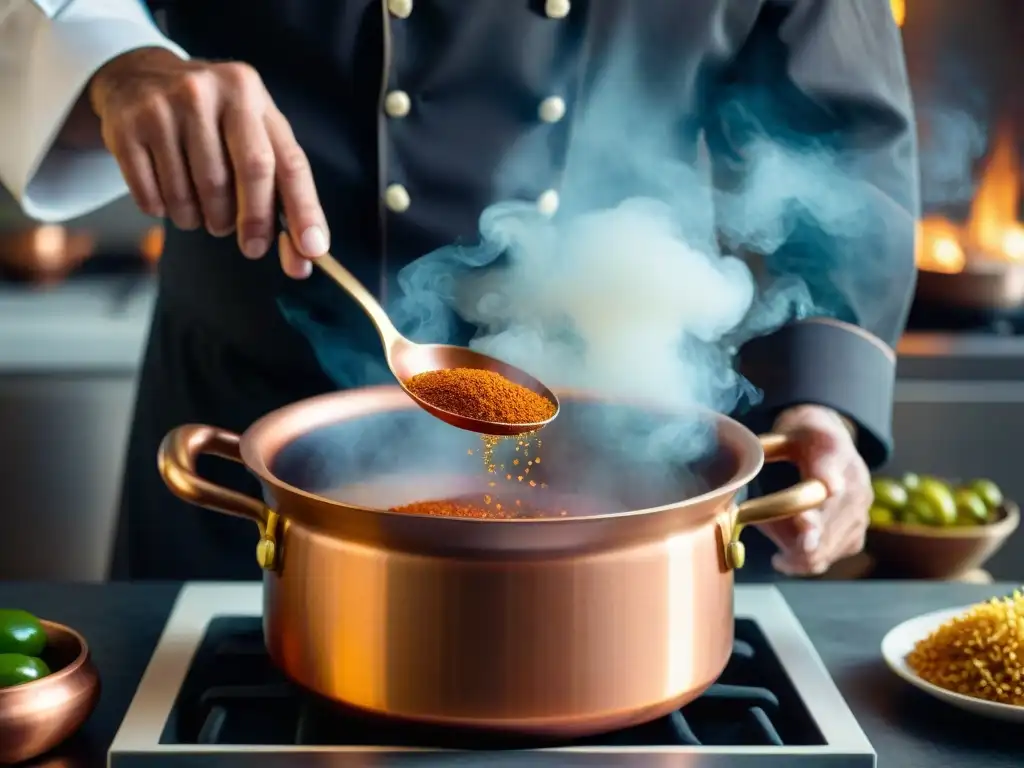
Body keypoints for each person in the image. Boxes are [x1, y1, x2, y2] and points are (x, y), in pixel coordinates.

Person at [0, 0, 918, 582]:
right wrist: (114, 60)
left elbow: (839, 136)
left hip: (630, 471)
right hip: (256, 465)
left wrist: (822, 398)